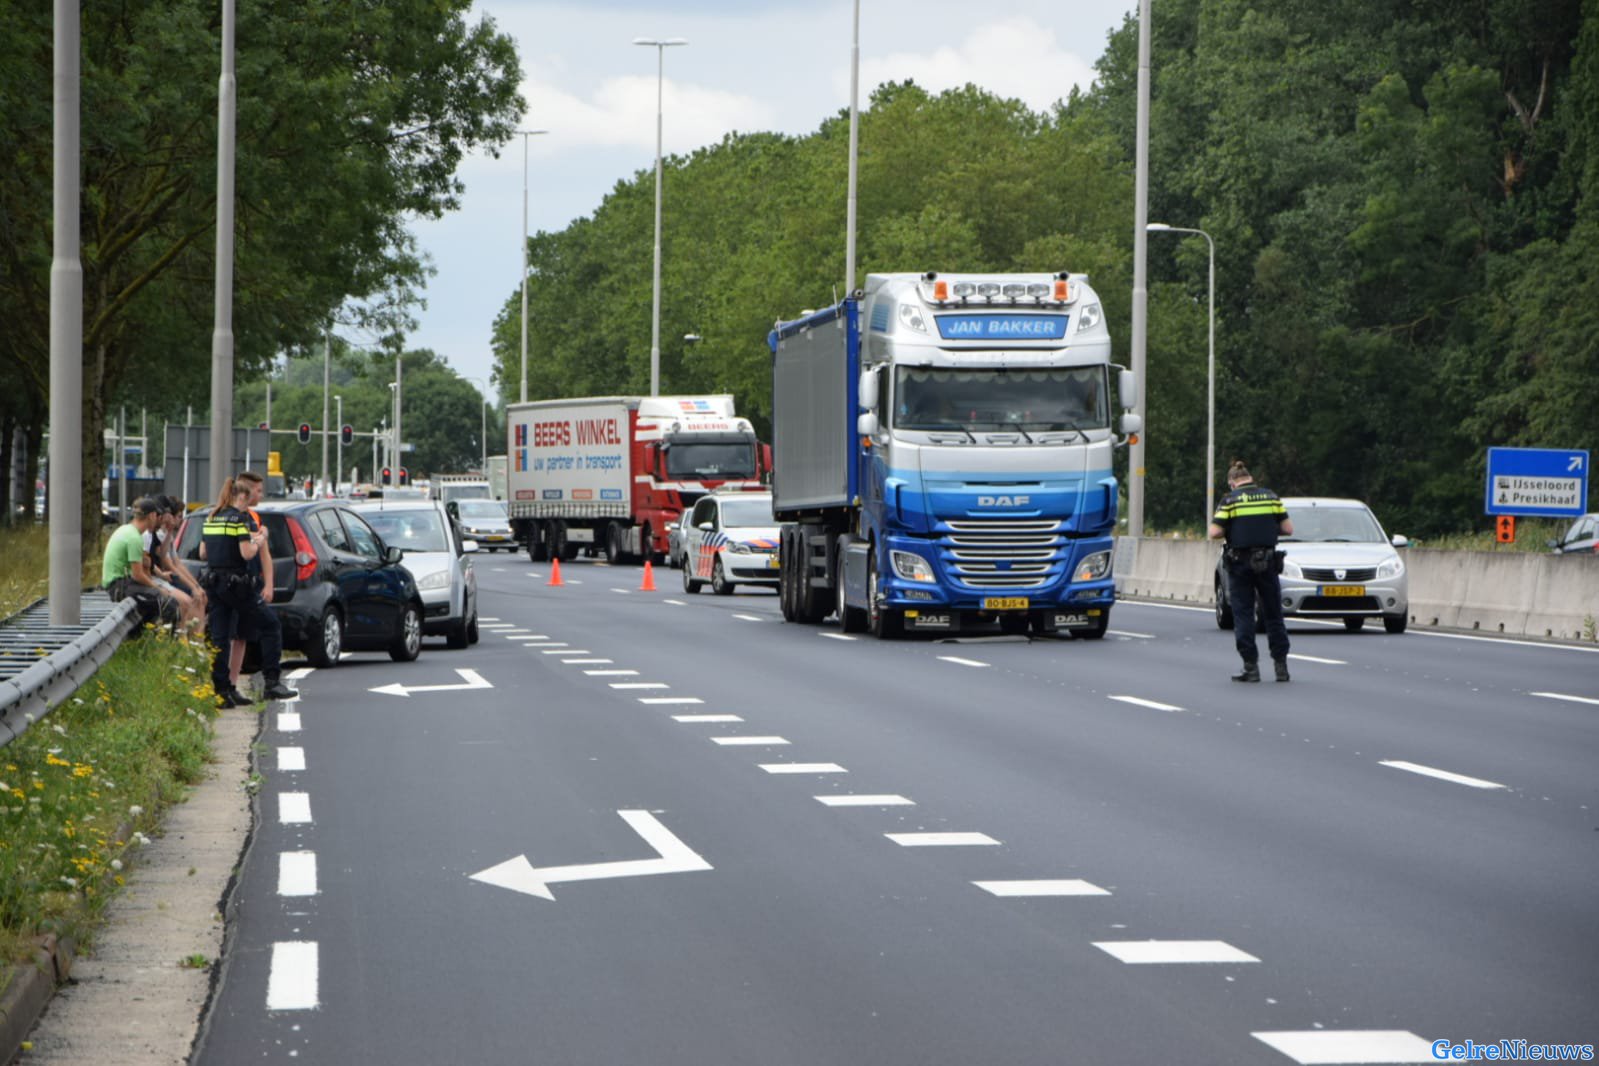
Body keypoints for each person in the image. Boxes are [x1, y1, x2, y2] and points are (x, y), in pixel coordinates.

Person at [201, 478, 297, 707]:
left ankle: (222, 691)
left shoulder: (211, 518)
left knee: (220, 637)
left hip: (214, 583)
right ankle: (272, 683)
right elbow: (247, 553)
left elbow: (204, 553)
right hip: (237, 585)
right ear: (241, 497)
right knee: (270, 625)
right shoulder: (240, 519)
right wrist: (261, 538)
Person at [1208, 461, 1294, 682]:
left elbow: (1215, 532)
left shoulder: (1230, 500)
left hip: (1240, 565)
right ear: (1250, 478)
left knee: (1244, 614)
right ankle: (1281, 667)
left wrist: (1234, 527)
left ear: (1232, 482)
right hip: (1267, 562)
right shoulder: (1271, 497)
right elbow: (1288, 529)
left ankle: (1251, 667)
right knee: (1274, 614)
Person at [102, 496, 180, 628]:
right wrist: (158, 588)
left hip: (116, 583)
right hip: (118, 586)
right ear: (151, 516)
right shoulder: (135, 538)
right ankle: (155, 639)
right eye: (156, 516)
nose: (157, 520)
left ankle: (144, 633)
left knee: (158, 602)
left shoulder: (126, 529)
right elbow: (137, 575)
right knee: (168, 604)